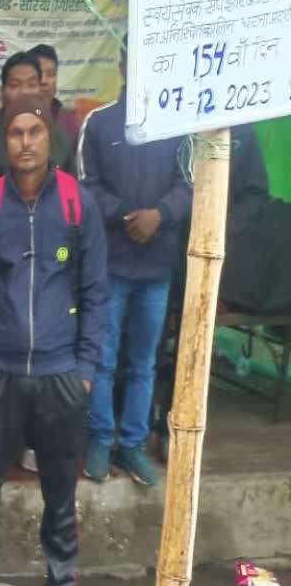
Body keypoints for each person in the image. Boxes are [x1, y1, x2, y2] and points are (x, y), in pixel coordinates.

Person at [0, 94, 107, 586]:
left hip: (60, 374)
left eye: (34, 132)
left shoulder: (77, 204)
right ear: (5, 141)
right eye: (15, 132)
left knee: (61, 493)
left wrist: (85, 366)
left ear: (51, 139)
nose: (25, 142)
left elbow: (95, 291)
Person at [79, 47, 191, 486]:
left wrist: (160, 215)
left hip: (157, 265)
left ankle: (133, 443)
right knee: (103, 359)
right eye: (135, 58)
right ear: (123, 63)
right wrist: (127, 214)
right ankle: (101, 440)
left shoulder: (177, 123)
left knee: (144, 361)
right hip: (111, 260)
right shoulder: (101, 121)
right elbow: (87, 185)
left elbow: (191, 182)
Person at [0, 52, 77, 221]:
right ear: (2, 91)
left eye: (31, 84)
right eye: (15, 85)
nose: (24, 92)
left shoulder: (61, 138)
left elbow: (73, 198)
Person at [27, 44, 82, 144]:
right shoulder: (6, 122)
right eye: (38, 73)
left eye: (51, 74)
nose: (44, 81)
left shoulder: (69, 125)